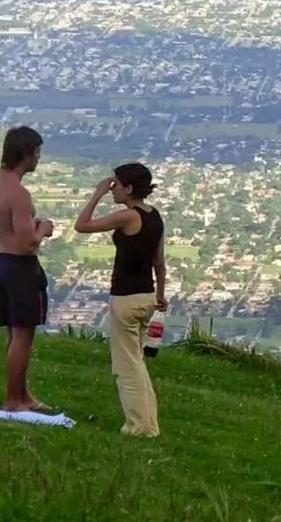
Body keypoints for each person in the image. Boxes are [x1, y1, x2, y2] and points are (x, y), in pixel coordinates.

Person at [74, 163, 166, 438]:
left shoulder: (128, 217)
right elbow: (159, 262)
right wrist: (160, 295)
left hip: (126, 298)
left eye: (116, 184)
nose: (112, 188)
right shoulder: (154, 216)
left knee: (127, 366)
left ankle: (138, 427)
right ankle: (149, 424)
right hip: (147, 295)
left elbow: (82, 225)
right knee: (136, 361)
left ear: (128, 188)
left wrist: (97, 194)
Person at [0, 126, 55, 412]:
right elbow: (26, 244)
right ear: (26, 155)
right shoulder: (19, 194)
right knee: (23, 336)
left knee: (14, 333)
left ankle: (23, 396)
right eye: (37, 153)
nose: (38, 158)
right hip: (20, 267)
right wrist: (42, 228)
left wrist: (8, 231)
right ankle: (13, 400)